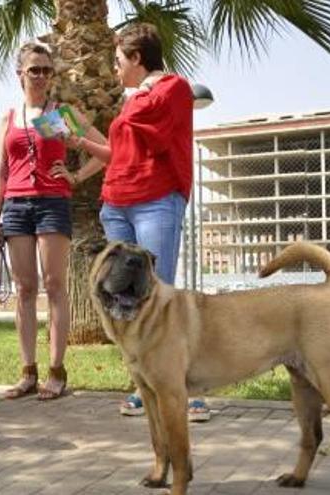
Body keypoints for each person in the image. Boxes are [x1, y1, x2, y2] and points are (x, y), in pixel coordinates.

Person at [50, 23, 211, 422]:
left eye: (119, 61)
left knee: (161, 295)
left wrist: (125, 108)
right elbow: (117, 151)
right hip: (116, 203)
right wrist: (81, 140)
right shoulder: (134, 100)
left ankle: (187, 390)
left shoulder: (171, 87)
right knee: (125, 297)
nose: (115, 70)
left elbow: (149, 132)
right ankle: (143, 386)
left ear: (138, 58)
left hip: (155, 202)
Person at [0, 42, 107, 401]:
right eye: (34, 70)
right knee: (24, 288)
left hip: (52, 203)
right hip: (16, 206)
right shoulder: (8, 118)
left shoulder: (62, 112)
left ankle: (57, 372)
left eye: (46, 70)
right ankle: (28, 372)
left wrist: (75, 176)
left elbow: (107, 150)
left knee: (55, 285)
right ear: (20, 74)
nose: (40, 76)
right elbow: (1, 173)